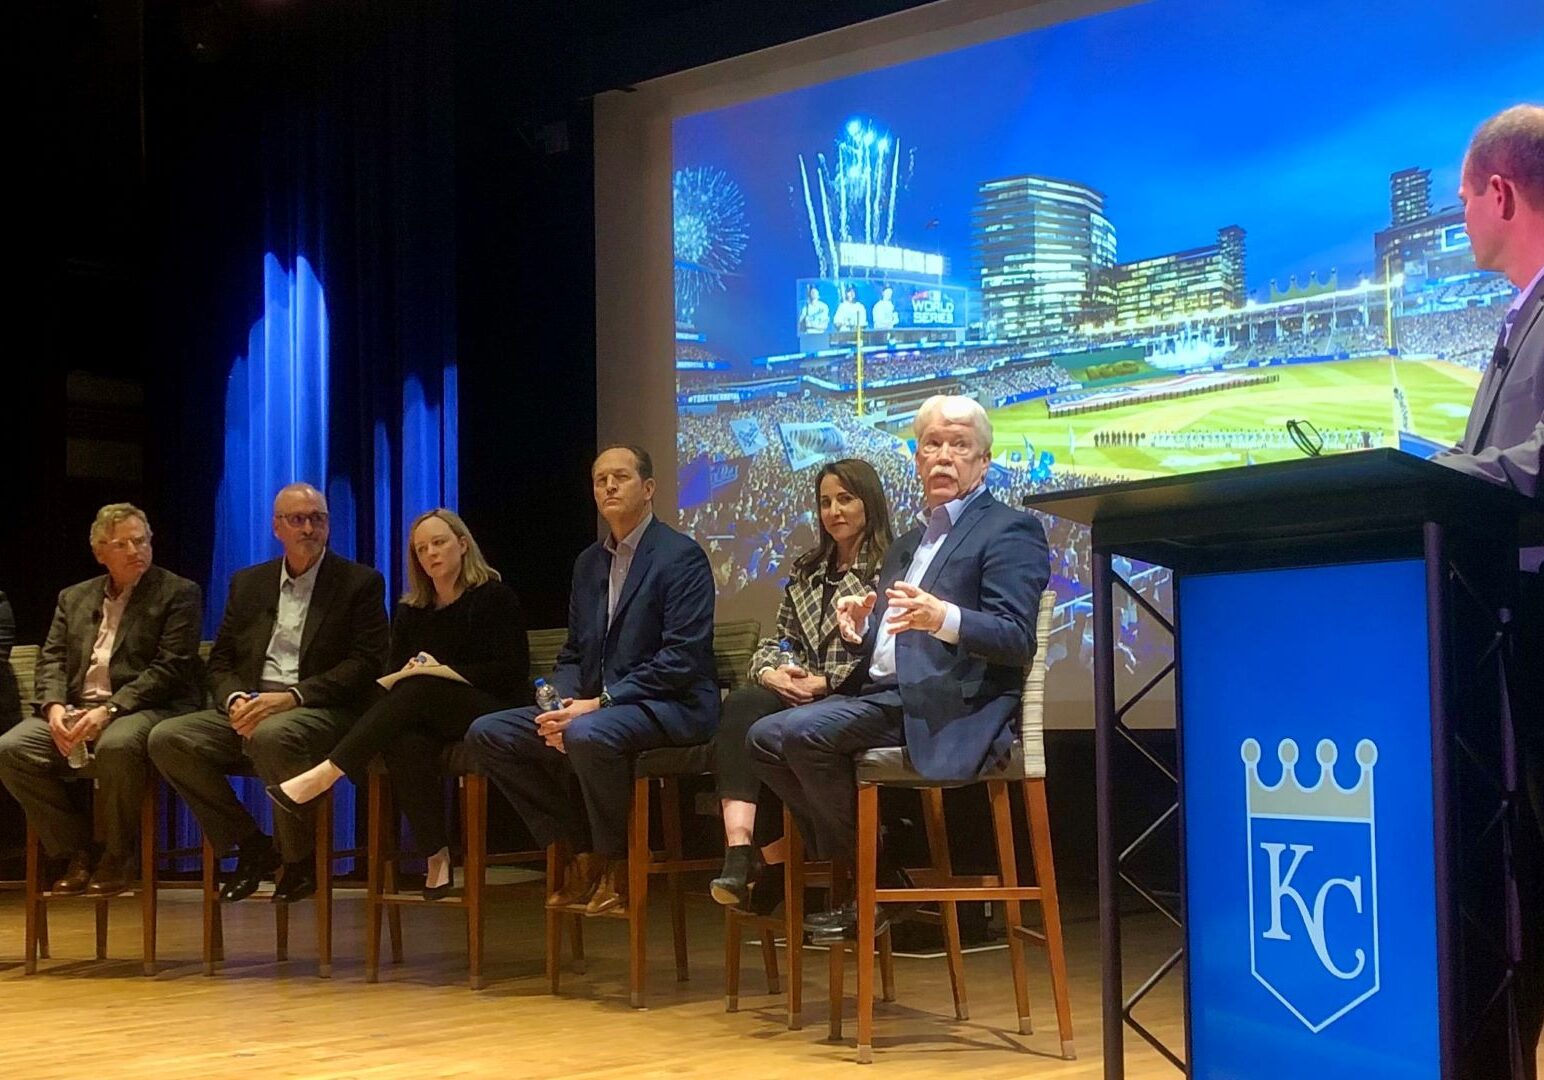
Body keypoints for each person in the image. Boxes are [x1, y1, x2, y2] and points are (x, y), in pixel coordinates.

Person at [748, 395, 1049, 940]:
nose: (943, 456)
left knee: (803, 733)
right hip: (887, 694)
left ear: (984, 461)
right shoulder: (908, 544)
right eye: (932, 444)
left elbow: (1015, 638)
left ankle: (865, 884)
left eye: (959, 445)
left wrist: (943, 617)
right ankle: (881, 877)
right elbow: (892, 643)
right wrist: (862, 628)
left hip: (952, 701)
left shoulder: (1010, 529)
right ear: (915, 457)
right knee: (763, 737)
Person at [467, 446, 717, 916]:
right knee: (489, 734)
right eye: (600, 479)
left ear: (648, 488)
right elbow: (574, 652)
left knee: (586, 732)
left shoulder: (681, 556)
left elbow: (681, 659)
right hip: (595, 708)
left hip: (671, 704)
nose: (608, 487)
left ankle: (618, 865)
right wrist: (557, 701)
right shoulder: (588, 564)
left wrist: (599, 702)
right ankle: (579, 847)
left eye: (620, 477)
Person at [1434, 102, 1543, 1077]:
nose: (1461, 217)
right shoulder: (1521, 315)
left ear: (1498, 191)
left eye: (1463, 200)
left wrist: (1433, 476)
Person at [269, 508, 530, 900]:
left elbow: (511, 671)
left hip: (490, 708)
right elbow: (390, 674)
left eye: (439, 543)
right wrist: (409, 674)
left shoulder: (494, 596)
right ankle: (435, 855)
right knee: (404, 735)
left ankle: (326, 773)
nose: (431, 555)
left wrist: (442, 672)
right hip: (425, 709)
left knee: (420, 687)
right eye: (422, 549)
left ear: (462, 544)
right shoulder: (412, 610)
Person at [148, 483, 388, 904]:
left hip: (322, 711)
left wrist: (293, 697)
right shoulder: (250, 583)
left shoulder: (359, 582)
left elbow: (367, 664)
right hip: (254, 707)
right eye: (298, 519)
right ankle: (252, 845)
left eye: (318, 519)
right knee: (168, 739)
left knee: (273, 735)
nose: (309, 528)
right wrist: (236, 700)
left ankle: (298, 862)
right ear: (277, 527)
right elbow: (219, 662)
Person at [708, 459, 892, 912]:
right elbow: (782, 638)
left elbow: (888, 651)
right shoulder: (809, 568)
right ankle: (740, 850)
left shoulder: (892, 566)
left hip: (856, 695)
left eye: (845, 499)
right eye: (826, 502)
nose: (834, 511)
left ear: (869, 502)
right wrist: (771, 670)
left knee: (775, 738)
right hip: (800, 694)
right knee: (745, 703)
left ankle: (784, 864)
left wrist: (825, 682)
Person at [0, 504, 202, 895]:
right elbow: (53, 658)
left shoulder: (178, 593)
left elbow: (170, 668)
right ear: (99, 552)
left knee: (117, 743)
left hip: (143, 708)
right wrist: (54, 707)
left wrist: (109, 710)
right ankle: (75, 850)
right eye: (121, 543)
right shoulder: (73, 598)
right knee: (12, 748)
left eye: (141, 541)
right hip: (77, 709)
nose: (134, 551)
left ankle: (117, 853)